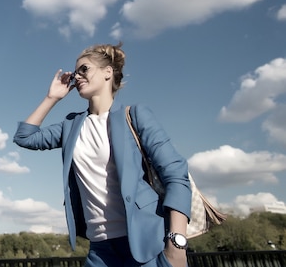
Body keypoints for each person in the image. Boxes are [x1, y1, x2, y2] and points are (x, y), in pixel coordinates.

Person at [13, 43, 191, 267]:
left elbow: (175, 174)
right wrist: (52, 97)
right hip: (100, 249)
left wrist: (176, 246)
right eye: (75, 72)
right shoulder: (71, 126)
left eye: (84, 69)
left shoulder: (134, 116)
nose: (77, 76)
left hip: (146, 243)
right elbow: (25, 138)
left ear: (108, 72)